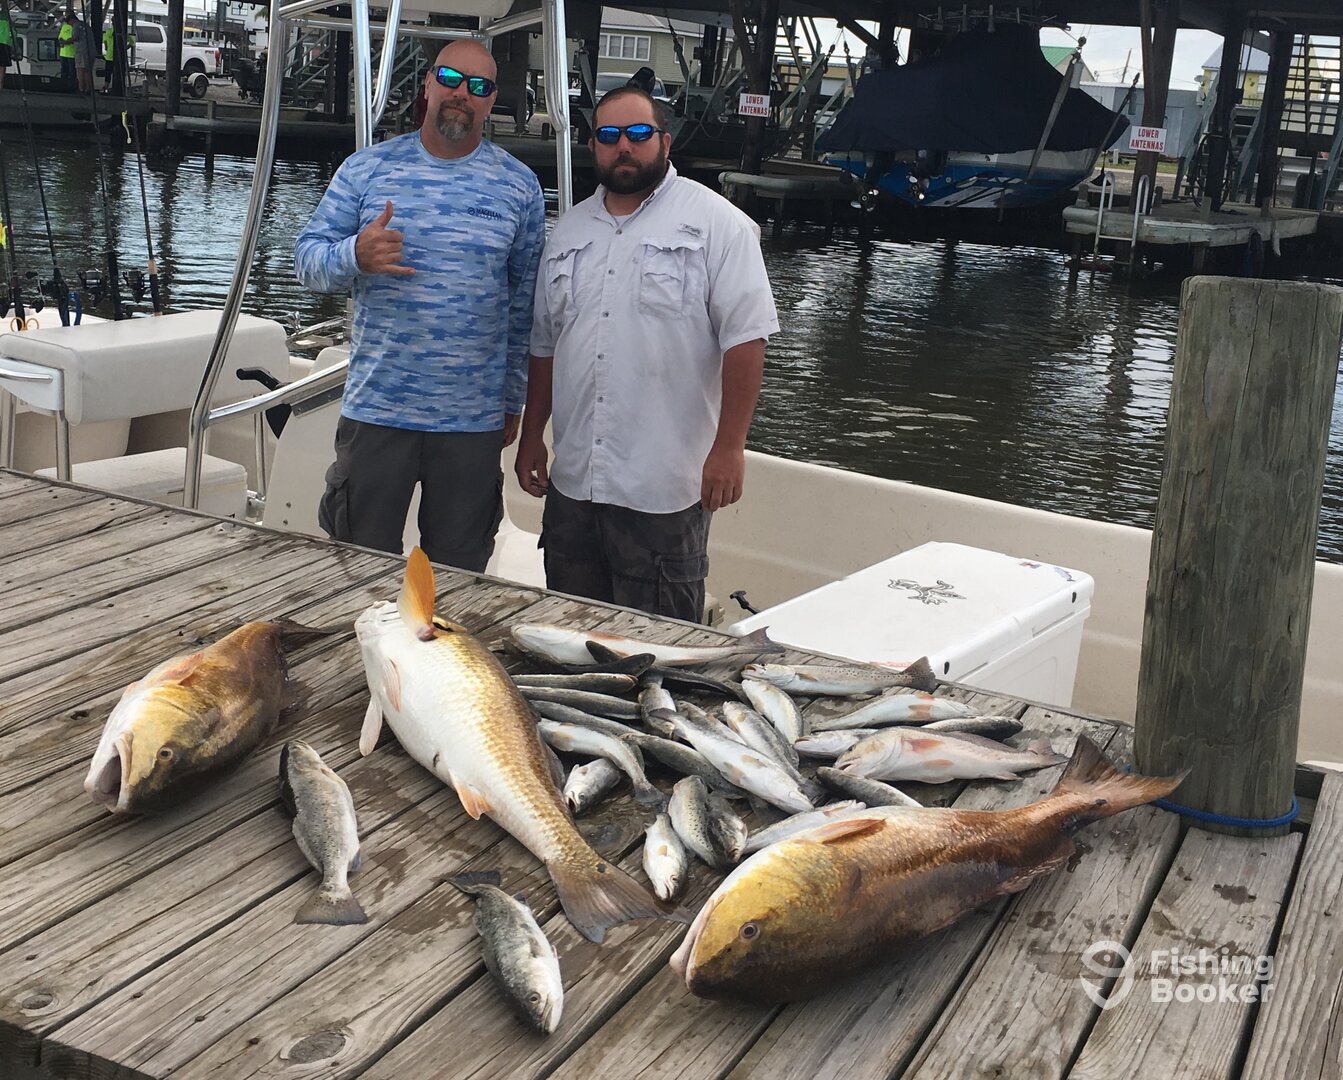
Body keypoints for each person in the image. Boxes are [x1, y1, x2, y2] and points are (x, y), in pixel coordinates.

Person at [515, 86, 778, 622]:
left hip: (664, 489)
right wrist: (531, 436)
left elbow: (747, 340)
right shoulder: (568, 231)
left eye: (638, 133)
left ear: (665, 141)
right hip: (575, 484)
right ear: (593, 145)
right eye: (609, 135)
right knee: (571, 636)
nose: (624, 147)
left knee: (657, 647)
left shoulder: (719, 224)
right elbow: (545, 346)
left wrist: (730, 448)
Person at [295, 39, 545, 573]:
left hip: (472, 421)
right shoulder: (366, 169)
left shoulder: (520, 187)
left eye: (478, 86)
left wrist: (513, 399)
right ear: (428, 84)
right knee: (356, 567)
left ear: (491, 100)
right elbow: (307, 262)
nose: (461, 93)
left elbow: (524, 306)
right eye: (451, 79)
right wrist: (354, 255)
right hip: (377, 409)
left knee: (456, 575)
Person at [58, 10, 78, 85]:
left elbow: (74, 38)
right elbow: (60, 36)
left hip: (72, 53)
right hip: (63, 53)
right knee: (64, 71)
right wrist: (61, 41)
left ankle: (71, 85)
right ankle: (63, 85)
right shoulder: (64, 26)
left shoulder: (75, 26)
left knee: (72, 72)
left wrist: (65, 42)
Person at [0, 7, 14, 89]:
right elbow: (13, 33)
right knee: (2, 65)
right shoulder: (8, 20)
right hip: (5, 43)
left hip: (4, 42)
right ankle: (0, 85)